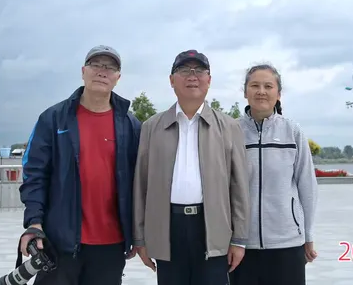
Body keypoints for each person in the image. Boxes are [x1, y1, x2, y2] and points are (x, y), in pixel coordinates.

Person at [18, 45, 142, 285]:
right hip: (59, 242)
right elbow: (35, 174)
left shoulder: (131, 125)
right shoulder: (53, 118)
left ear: (118, 77)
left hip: (111, 245)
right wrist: (34, 223)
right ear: (83, 71)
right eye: (96, 65)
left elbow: (141, 182)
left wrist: (139, 234)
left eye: (110, 67)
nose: (102, 71)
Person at [133, 50, 250, 285]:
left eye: (199, 71)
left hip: (212, 229)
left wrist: (239, 239)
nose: (192, 76)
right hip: (168, 229)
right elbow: (141, 185)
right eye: (184, 70)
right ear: (171, 80)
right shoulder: (152, 127)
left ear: (209, 80)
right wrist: (140, 238)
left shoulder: (229, 127)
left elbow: (239, 187)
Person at [230, 63, 318, 285]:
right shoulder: (232, 131)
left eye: (268, 86)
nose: (261, 91)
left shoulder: (292, 131)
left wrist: (308, 235)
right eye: (255, 85)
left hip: (287, 244)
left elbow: (307, 186)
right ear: (245, 92)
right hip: (241, 245)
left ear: (278, 94)